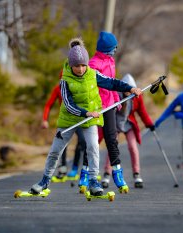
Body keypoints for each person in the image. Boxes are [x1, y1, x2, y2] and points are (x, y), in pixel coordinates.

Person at [29, 38, 142, 196]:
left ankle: (93, 182)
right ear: (71, 64)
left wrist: (130, 88)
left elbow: (112, 83)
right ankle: (44, 181)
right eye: (77, 66)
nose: (81, 69)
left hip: (90, 120)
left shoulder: (92, 74)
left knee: (93, 148)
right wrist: (86, 113)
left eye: (83, 65)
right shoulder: (65, 80)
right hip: (70, 119)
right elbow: (68, 104)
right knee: (55, 151)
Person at [79, 31, 129, 193]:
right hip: (97, 107)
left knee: (112, 139)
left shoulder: (111, 61)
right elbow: (96, 85)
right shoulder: (93, 64)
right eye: (113, 48)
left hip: (109, 106)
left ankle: (117, 173)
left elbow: (112, 82)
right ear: (106, 48)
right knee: (93, 142)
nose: (115, 50)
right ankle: (85, 174)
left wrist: (116, 99)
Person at [102, 74, 155, 188]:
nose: (129, 92)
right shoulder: (116, 95)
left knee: (133, 147)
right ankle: (107, 174)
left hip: (128, 123)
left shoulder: (137, 96)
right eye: (127, 89)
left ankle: (136, 174)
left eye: (131, 89)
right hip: (115, 123)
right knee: (112, 147)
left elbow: (142, 112)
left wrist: (149, 124)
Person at [42, 77, 87, 180]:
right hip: (65, 120)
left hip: (79, 119)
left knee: (82, 141)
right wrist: (45, 120)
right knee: (62, 142)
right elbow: (48, 105)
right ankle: (62, 167)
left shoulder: (80, 86)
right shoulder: (58, 88)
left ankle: (75, 168)